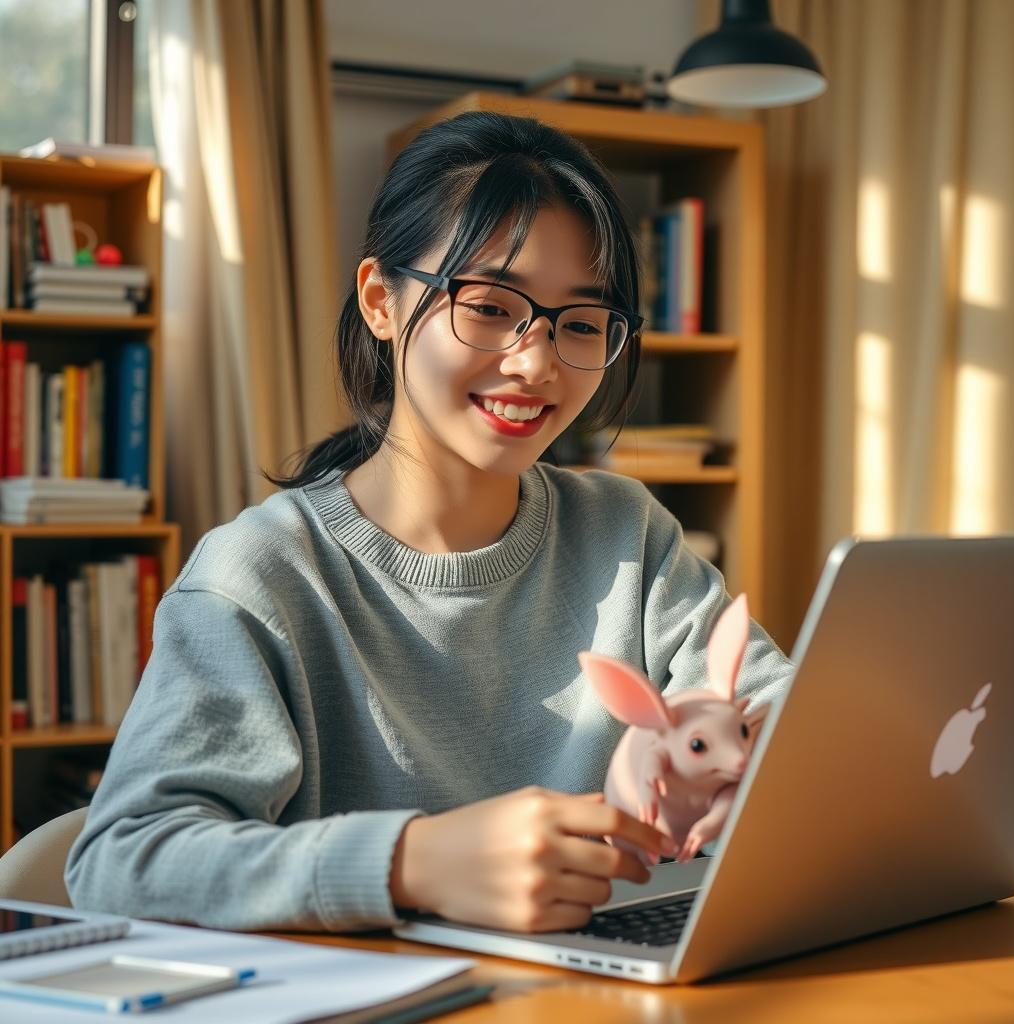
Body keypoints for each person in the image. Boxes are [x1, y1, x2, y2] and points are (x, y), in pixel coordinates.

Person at [66, 110, 793, 935]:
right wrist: (411, 862)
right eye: (488, 307)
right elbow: (123, 860)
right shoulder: (258, 577)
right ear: (380, 300)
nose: (536, 362)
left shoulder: (626, 532)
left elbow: (781, 721)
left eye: (581, 324)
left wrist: (761, 774)